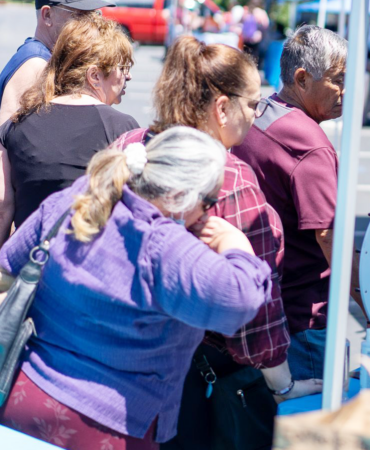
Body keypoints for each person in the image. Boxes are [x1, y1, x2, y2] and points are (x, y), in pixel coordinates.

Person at [0, 127, 272, 449]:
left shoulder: (75, 199)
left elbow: (10, 260)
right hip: (103, 423)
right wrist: (235, 245)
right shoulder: (164, 246)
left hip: (22, 395)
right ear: (180, 197)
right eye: (207, 202)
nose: (207, 213)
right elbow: (241, 302)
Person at [111, 37, 316, 445]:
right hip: (198, 386)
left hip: (119, 368)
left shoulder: (130, 147)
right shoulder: (229, 178)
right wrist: (283, 385)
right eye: (253, 104)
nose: (257, 116)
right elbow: (253, 313)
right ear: (222, 108)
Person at [232, 25, 360, 382]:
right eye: (338, 79)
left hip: (266, 308)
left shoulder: (263, 114)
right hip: (305, 319)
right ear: (302, 79)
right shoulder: (311, 146)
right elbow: (329, 236)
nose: (346, 91)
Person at [0, 15, 139, 262]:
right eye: (122, 68)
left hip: (28, 271)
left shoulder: (14, 126)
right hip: (89, 275)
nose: (127, 77)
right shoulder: (124, 129)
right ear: (94, 76)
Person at [0, 0, 113, 231]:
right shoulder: (35, 64)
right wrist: (5, 236)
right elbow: (2, 153)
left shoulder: (46, 59)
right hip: (15, 219)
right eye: (78, 15)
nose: (87, 24)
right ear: (47, 15)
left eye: (91, 15)